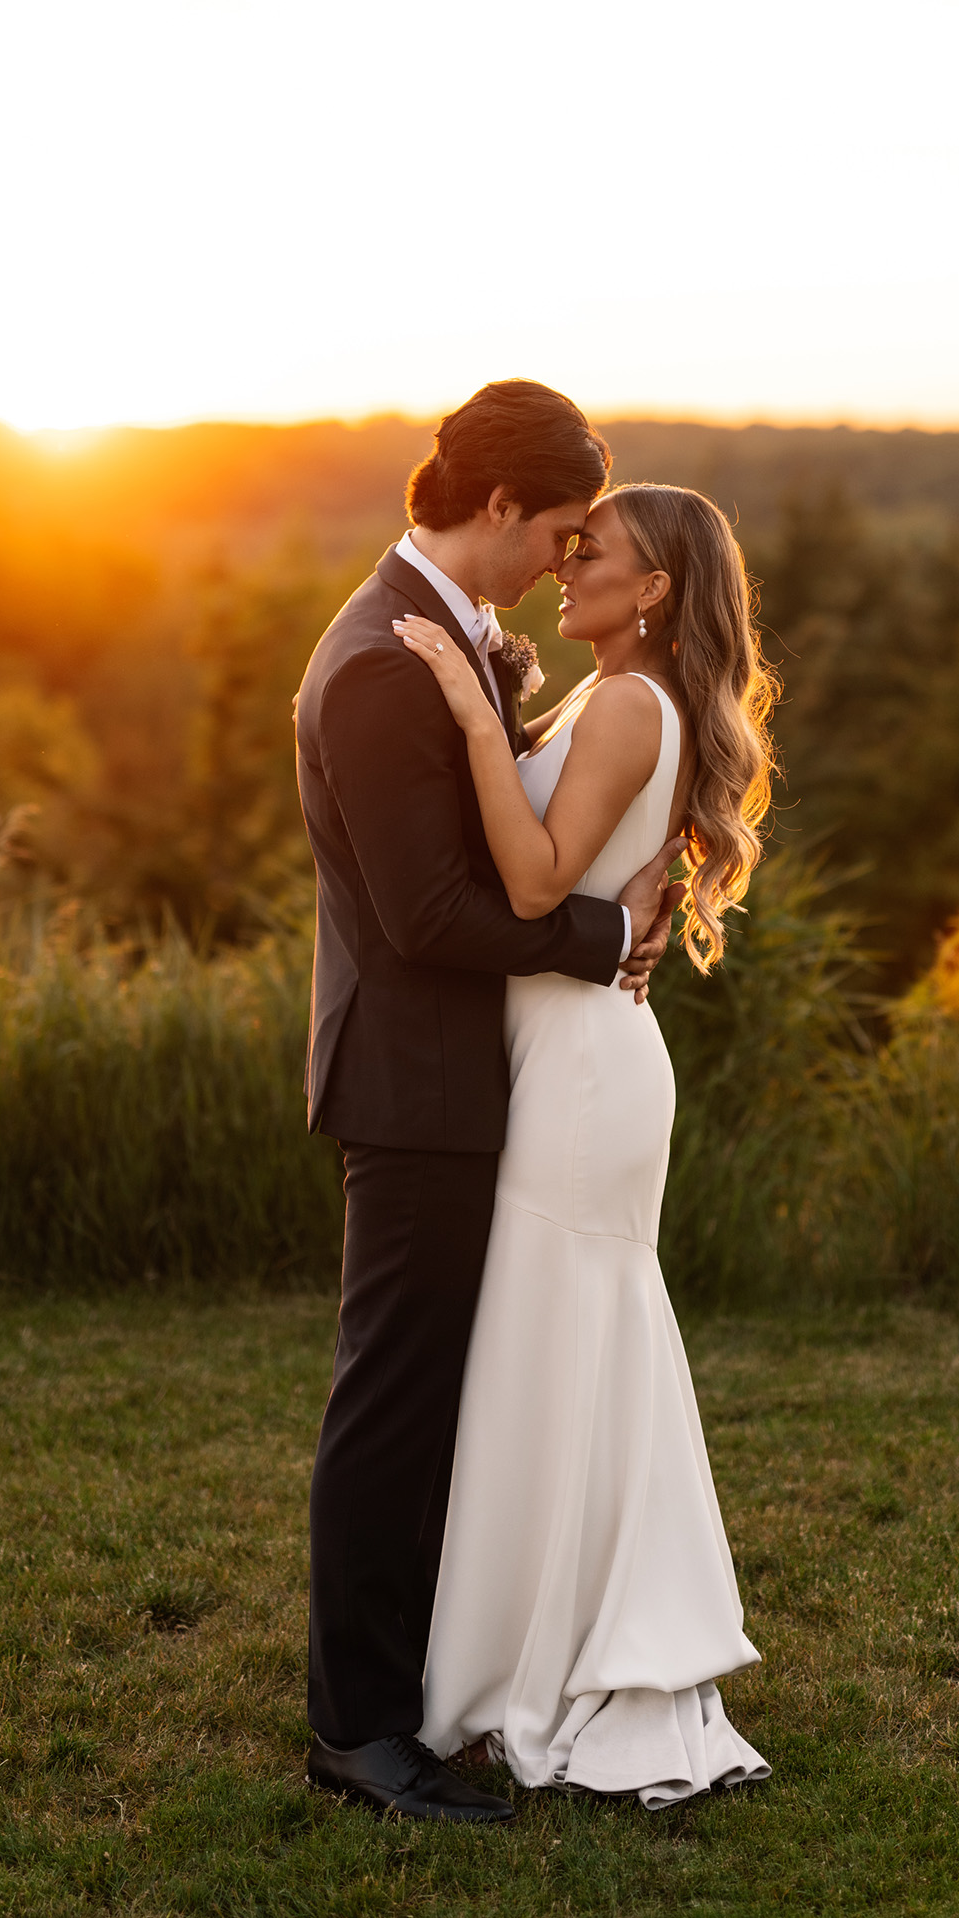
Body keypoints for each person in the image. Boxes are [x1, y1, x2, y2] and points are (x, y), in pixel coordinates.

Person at [294, 381, 684, 1824]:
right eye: (563, 531)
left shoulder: (452, 640)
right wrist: (599, 936)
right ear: (503, 505)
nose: (562, 564)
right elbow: (426, 917)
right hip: (416, 1085)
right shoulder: (389, 666)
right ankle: (357, 1730)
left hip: (477, 1081)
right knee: (391, 1404)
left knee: (440, 1397)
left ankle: (423, 1688)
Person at [395, 480, 777, 1808]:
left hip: (580, 1076)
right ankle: (546, 1649)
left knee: (554, 1346)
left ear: (656, 586)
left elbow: (536, 882)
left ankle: (541, 1674)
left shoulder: (629, 700)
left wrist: (468, 724)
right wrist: (501, 705)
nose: (567, 565)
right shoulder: (609, 694)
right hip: (566, 1056)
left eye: (592, 551)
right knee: (557, 1349)